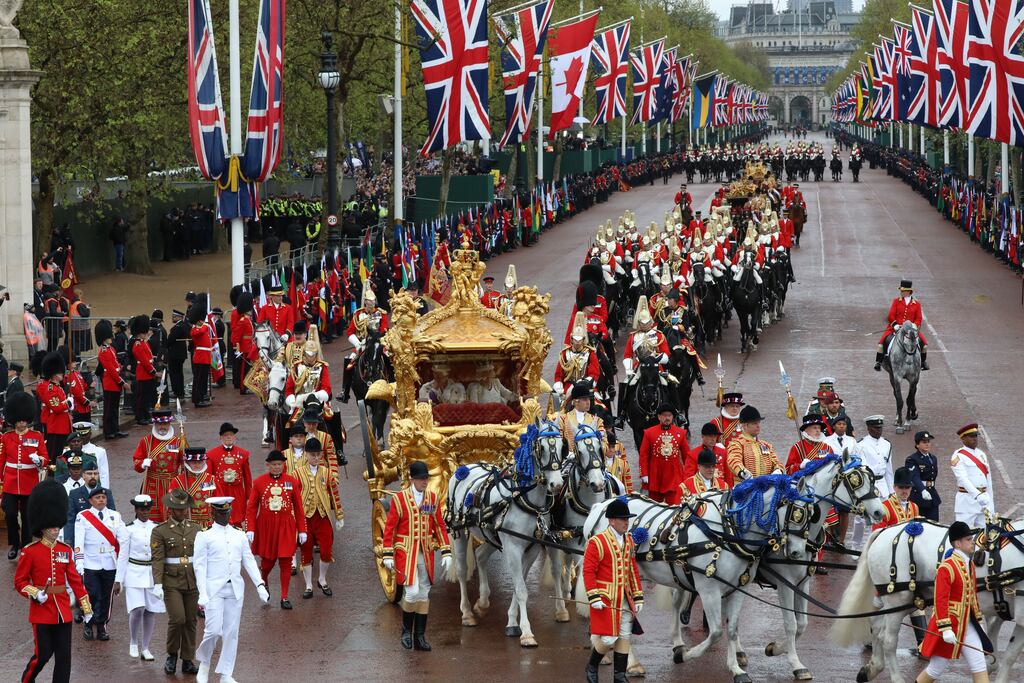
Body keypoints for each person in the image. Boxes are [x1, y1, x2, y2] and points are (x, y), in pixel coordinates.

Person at [14, 479, 93, 683]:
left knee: (64, 658)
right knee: (43, 655)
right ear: (42, 528)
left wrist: (86, 606)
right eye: (51, 527)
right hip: (41, 611)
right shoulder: (29, 552)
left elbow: (75, 581)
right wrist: (34, 593)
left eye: (57, 526)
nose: (56, 530)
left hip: (63, 610)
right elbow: (20, 581)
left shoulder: (65, 550)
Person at [194, 497, 270, 683]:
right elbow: (199, 566)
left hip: (235, 588)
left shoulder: (239, 534)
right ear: (213, 513)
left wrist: (260, 584)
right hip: (213, 589)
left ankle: (226, 673)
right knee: (212, 630)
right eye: (221, 513)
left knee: (231, 632)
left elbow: (249, 560)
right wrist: (202, 592)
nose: (225, 516)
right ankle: (204, 664)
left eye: (227, 512)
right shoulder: (204, 535)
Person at [382, 460, 451, 651]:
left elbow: (438, 525)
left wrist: (446, 550)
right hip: (407, 551)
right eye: (421, 478)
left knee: (424, 592)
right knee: (411, 592)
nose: (424, 482)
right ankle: (406, 632)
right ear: (412, 479)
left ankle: (419, 635)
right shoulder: (399, 499)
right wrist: (387, 553)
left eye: (426, 478)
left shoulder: (432, 498)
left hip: (426, 552)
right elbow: (390, 528)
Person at [916, 520, 994, 682]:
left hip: (968, 624)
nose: (972, 542)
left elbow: (972, 597)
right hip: (950, 626)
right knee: (935, 669)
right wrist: (945, 629)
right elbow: (940, 600)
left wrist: (979, 622)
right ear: (958, 543)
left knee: (979, 664)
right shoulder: (947, 567)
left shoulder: (969, 564)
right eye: (968, 539)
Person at [582, 498, 644, 683]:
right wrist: (594, 596)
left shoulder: (629, 540)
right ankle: (592, 666)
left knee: (624, 635)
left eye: (627, 519)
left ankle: (619, 676)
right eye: (622, 519)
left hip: (625, 598)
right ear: (611, 521)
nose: (627, 522)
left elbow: (632, 569)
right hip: (605, 598)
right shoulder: (597, 542)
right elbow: (588, 571)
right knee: (609, 638)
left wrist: (638, 596)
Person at [245, 450, 307, 609]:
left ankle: (284, 596)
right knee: (267, 563)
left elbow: (299, 508)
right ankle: (264, 580)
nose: (277, 467)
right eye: (273, 465)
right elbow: (252, 508)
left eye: (279, 464)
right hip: (266, 527)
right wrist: (250, 528)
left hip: (286, 525)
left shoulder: (292, 482)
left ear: (283, 465)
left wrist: (302, 530)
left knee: (286, 561)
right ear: (268, 465)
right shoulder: (259, 482)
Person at [150, 489, 201, 675]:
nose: (183, 512)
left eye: (185, 508)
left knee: (191, 620)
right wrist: (157, 583)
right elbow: (157, 558)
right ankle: (172, 654)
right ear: (171, 509)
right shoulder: (160, 531)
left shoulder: (196, 529)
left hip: (192, 580)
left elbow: (202, 557)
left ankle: (187, 659)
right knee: (177, 618)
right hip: (171, 581)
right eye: (179, 509)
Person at [114, 494, 165, 661]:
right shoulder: (128, 529)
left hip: (152, 573)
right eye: (142, 509)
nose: (145, 512)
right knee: (137, 609)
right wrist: (118, 580)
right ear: (136, 510)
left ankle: (146, 647)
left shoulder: (157, 527)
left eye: (147, 509)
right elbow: (123, 555)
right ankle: (133, 641)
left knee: (150, 611)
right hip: (134, 571)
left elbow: (161, 554)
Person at [294, 437, 344, 599]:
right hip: (305, 519)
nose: (316, 458)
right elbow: (293, 498)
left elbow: (334, 495)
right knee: (306, 551)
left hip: (323, 517)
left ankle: (322, 579)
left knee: (326, 550)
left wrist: (339, 515)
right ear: (306, 455)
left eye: (318, 455)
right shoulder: (296, 474)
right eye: (312, 455)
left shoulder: (327, 473)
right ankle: (308, 584)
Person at [73, 486, 124, 641]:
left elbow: (123, 539)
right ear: (90, 501)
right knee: (91, 595)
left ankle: (102, 626)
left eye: (103, 497)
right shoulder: (83, 516)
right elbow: (79, 542)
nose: (101, 500)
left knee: (106, 598)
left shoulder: (115, 516)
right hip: (90, 562)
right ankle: (88, 623)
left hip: (109, 562)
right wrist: (79, 564)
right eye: (97, 498)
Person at [2, 390, 47, 559]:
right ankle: (15, 543)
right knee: (11, 514)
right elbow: (2, 461)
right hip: (11, 482)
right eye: (18, 420)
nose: (21, 424)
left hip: (29, 481)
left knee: (27, 516)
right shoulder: (7, 437)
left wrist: (39, 460)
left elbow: (45, 458)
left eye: (24, 420)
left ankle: (26, 544)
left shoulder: (37, 436)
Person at [132, 409, 183, 523]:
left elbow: (185, 463)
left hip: (172, 483)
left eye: (165, 424)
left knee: (173, 514)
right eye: (160, 424)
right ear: (155, 424)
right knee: (151, 516)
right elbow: (136, 462)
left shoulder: (178, 441)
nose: (162, 427)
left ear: (169, 424)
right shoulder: (146, 441)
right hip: (152, 484)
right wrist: (142, 463)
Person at [341, 289, 388, 403]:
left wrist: (378, 339)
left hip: (377, 342)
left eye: (373, 301)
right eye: (369, 301)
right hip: (361, 344)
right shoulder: (358, 314)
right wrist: (357, 344)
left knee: (389, 358)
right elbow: (350, 332)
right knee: (349, 363)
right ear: (365, 302)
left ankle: (393, 385)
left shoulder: (381, 313)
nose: (372, 304)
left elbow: (385, 329)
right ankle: (345, 392)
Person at [638, 404, 690, 505]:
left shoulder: (681, 433)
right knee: (654, 506)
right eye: (664, 415)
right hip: (656, 475)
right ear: (659, 417)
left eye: (669, 415)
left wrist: (688, 474)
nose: (667, 418)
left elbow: (687, 456)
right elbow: (643, 455)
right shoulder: (649, 433)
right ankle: (621, 416)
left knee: (674, 505)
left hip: (674, 475)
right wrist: (644, 473)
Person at [875, 279, 929, 372]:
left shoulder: (917, 304)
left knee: (924, 345)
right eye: (901, 290)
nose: (901, 292)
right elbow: (891, 315)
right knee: (881, 344)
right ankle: (878, 362)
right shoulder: (896, 301)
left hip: (911, 329)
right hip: (895, 328)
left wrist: (914, 326)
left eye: (903, 291)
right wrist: (895, 325)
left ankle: (923, 363)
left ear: (908, 291)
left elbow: (918, 318)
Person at [63, 456, 116, 547]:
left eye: (95, 473)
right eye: (89, 473)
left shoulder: (107, 493)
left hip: (103, 538)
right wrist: (68, 542)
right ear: (83, 475)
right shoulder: (74, 494)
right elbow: (70, 520)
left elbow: (113, 517)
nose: (93, 476)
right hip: (83, 539)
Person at [207, 422, 252, 526]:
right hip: (220, 491)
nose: (228, 437)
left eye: (231, 435)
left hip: (237, 493)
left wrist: (249, 497)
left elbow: (248, 478)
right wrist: (210, 495)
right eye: (226, 435)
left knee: (237, 520)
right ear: (220, 438)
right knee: (221, 518)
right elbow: (209, 477)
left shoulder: (243, 454)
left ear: (234, 437)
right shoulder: (211, 454)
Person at [950, 423, 995, 527]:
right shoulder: (958, 456)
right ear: (963, 438)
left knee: (985, 537)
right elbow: (962, 479)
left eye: (976, 436)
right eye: (971, 436)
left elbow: (988, 480)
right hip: (967, 503)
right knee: (964, 535)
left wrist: (990, 502)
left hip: (983, 503)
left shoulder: (981, 454)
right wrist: (977, 495)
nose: (975, 439)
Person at [283, 339, 333, 427]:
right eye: (309, 354)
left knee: (332, 421)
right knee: (289, 424)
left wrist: (316, 396)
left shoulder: (322, 367)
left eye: (313, 354)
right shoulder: (296, 367)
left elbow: (326, 387)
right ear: (304, 353)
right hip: (300, 403)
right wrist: (293, 402)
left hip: (318, 401)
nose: (311, 357)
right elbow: (289, 389)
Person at [726, 405, 783, 481]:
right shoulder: (736, 444)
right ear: (745, 425)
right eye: (754, 423)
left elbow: (777, 462)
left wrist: (778, 470)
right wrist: (742, 472)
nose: (758, 426)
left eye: (758, 422)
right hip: (744, 487)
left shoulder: (766, 445)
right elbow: (734, 460)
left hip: (765, 486)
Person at [552, 312, 601, 400]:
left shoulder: (590, 353)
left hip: (586, 386)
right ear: (571, 339)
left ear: (583, 339)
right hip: (568, 386)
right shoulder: (564, 353)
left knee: (601, 405)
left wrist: (584, 383)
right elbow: (558, 374)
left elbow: (594, 374)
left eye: (580, 340)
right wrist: (559, 385)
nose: (577, 342)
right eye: (575, 339)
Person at [95, 320, 128, 439]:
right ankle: (108, 432)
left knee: (114, 408)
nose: (111, 337)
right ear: (104, 337)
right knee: (109, 409)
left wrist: (121, 367)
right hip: (110, 383)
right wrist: (121, 382)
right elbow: (111, 370)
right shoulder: (103, 351)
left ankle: (115, 429)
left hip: (115, 382)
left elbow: (116, 365)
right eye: (109, 336)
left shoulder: (111, 349)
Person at [37, 351, 72, 462]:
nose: (62, 374)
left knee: (61, 454)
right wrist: (68, 403)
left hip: (62, 426)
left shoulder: (58, 388)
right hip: (56, 427)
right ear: (53, 374)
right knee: (53, 456)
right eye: (60, 372)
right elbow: (56, 407)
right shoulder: (50, 389)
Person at [169, 448, 218, 528]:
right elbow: (172, 506)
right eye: (194, 462)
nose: (197, 465)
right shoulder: (177, 481)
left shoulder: (211, 479)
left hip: (209, 524)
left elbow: (218, 501)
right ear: (187, 463)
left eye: (200, 462)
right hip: (187, 525)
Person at [558, 381, 605, 451]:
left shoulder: (597, 420)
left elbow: (605, 443)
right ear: (575, 401)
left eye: (589, 399)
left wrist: (600, 442)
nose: (588, 402)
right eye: (585, 399)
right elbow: (559, 443)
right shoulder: (563, 419)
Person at [906, 430, 941, 522]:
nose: (927, 444)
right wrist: (923, 490)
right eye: (924, 442)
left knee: (934, 524)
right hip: (918, 496)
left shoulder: (933, 458)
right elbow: (914, 477)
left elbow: (933, 476)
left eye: (928, 441)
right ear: (917, 445)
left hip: (932, 494)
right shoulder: (912, 459)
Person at [857, 415, 894, 499]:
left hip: (884, 487)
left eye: (880, 428)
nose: (879, 430)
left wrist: (891, 490)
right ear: (869, 428)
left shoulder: (887, 444)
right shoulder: (861, 445)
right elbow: (863, 468)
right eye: (876, 428)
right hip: (868, 486)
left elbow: (889, 470)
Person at [187, 297, 214, 408]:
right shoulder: (195, 329)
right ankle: (197, 400)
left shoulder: (201, 327)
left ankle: (201, 397)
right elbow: (202, 330)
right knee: (198, 380)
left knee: (203, 380)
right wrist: (206, 323)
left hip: (205, 357)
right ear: (198, 320)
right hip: (200, 357)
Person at [130, 315, 157, 424]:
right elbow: (144, 361)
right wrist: (153, 371)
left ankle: (145, 415)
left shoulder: (143, 342)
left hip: (147, 372)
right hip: (144, 373)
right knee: (141, 397)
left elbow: (149, 357)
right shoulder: (137, 344)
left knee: (146, 397)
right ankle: (140, 417)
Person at [166, 310, 190, 400]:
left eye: (174, 316)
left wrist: (165, 345)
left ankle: (177, 392)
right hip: (180, 353)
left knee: (175, 373)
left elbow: (171, 339)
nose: (173, 318)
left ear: (179, 317)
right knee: (178, 373)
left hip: (175, 354)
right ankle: (179, 391)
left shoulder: (179, 327)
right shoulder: (183, 326)